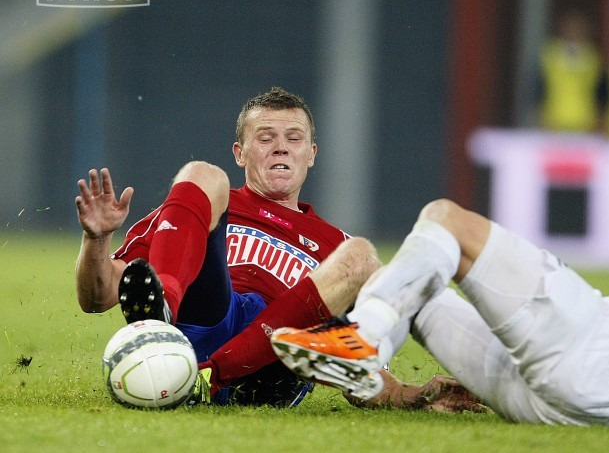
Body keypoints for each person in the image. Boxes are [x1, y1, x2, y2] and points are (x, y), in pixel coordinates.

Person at [75, 87, 482, 411]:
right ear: (240, 153)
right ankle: (164, 318)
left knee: (362, 255)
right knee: (200, 173)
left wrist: (411, 396)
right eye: (265, 138)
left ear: (311, 154)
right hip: (206, 323)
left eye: (294, 138)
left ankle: (212, 375)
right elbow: (98, 298)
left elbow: (357, 367)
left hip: (272, 365)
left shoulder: (335, 245)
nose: (281, 147)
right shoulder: (201, 207)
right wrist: (97, 239)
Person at [272, 197, 609, 429]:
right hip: (587, 408)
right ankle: (371, 360)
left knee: (445, 220)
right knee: (405, 282)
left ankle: (360, 341)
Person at [538, 10, 605, 133]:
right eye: (570, 27)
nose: (573, 31)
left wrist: (599, 118)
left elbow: (598, 89)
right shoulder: (550, 53)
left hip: (585, 119)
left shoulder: (591, 55)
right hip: (554, 118)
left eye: (578, 28)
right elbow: (540, 86)